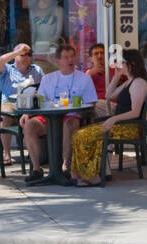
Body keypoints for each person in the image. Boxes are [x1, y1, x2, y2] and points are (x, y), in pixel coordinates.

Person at [70, 49, 147, 186]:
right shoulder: (129, 82)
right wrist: (117, 75)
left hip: (129, 127)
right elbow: (108, 95)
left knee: (84, 135)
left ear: (131, 64)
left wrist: (114, 119)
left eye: (122, 63)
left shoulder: (138, 83)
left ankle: (91, 176)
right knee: (78, 134)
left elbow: (135, 112)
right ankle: (80, 174)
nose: (119, 65)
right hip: (121, 125)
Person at [30, 43, 97, 182]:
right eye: (66, 57)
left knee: (69, 123)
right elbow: (39, 101)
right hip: (49, 117)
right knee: (29, 126)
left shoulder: (84, 78)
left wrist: (80, 109)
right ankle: (36, 168)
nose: (70, 60)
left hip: (72, 115)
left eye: (72, 57)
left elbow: (92, 103)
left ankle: (66, 165)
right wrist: (27, 114)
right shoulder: (48, 78)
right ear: (58, 60)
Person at [0, 42, 44, 166]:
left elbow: (44, 88)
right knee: (4, 116)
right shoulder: (8, 69)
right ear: (15, 56)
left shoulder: (36, 70)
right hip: (10, 103)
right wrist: (17, 52)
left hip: (30, 103)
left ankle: (33, 154)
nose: (26, 57)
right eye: (23, 54)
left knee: (37, 118)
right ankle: (6, 152)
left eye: (28, 54)